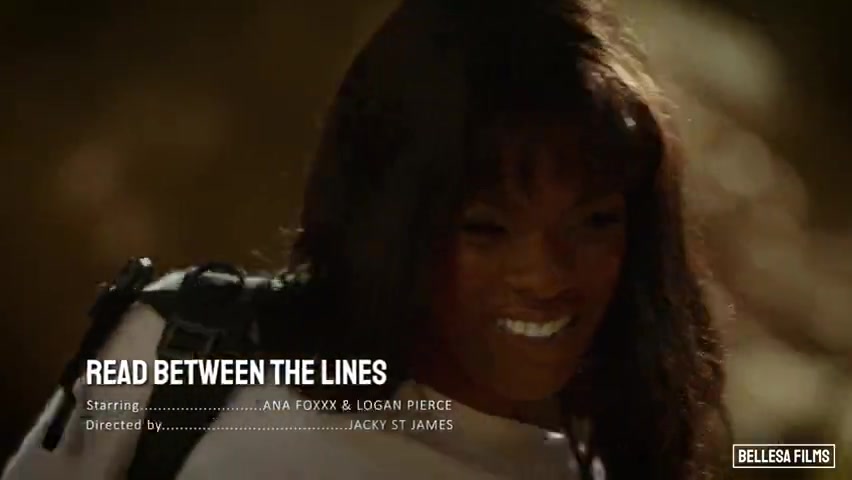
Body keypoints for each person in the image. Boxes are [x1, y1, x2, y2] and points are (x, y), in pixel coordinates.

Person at [2, 0, 730, 478]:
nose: (545, 274)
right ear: (391, 220)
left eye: (594, 221)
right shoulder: (184, 357)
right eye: (486, 228)